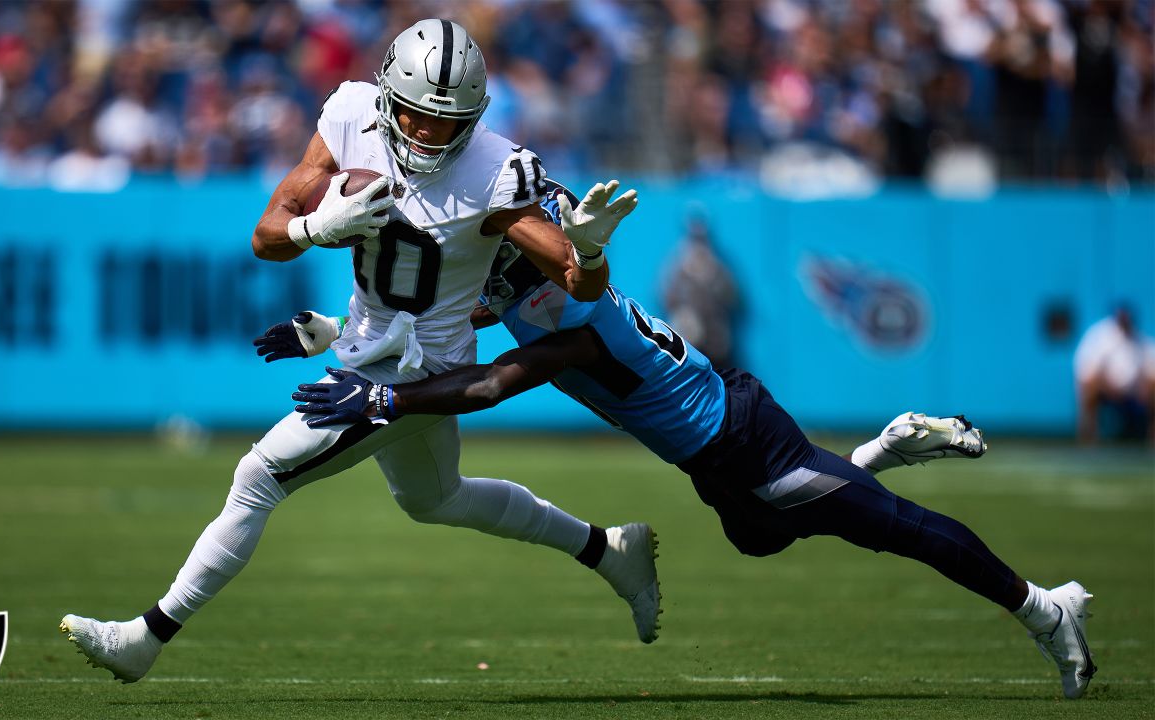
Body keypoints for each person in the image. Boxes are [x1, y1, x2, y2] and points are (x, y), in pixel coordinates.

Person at [291, 181, 1097, 701]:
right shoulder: (535, 299)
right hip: (712, 454)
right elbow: (440, 324)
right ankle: (881, 447)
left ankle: (1042, 611)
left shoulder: (570, 323)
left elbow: (492, 383)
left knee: (895, 531)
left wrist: (386, 397)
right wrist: (339, 333)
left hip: (748, 444)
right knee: (758, 541)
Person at [59, 20, 652, 683]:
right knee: (436, 500)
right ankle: (608, 550)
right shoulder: (348, 114)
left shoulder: (497, 171)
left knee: (258, 479)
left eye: (448, 122)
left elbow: (579, 282)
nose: (429, 132)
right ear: (386, 96)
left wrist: (591, 250)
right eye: (416, 114)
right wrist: (318, 229)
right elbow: (267, 236)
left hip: (418, 372)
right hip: (372, 347)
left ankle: (146, 636)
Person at [659, 211, 740, 369]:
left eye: (701, 239)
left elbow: (732, 298)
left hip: (715, 342)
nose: (698, 244)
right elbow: (666, 297)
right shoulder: (676, 265)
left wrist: (711, 277)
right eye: (694, 238)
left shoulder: (718, 266)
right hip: (689, 340)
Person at [1074, 305, 1155, 444]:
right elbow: (1087, 371)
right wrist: (1107, 386)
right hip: (1105, 389)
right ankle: (1088, 439)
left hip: (1132, 392)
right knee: (1088, 387)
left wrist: (1143, 387)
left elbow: (1150, 370)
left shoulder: (1141, 341)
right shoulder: (1099, 337)